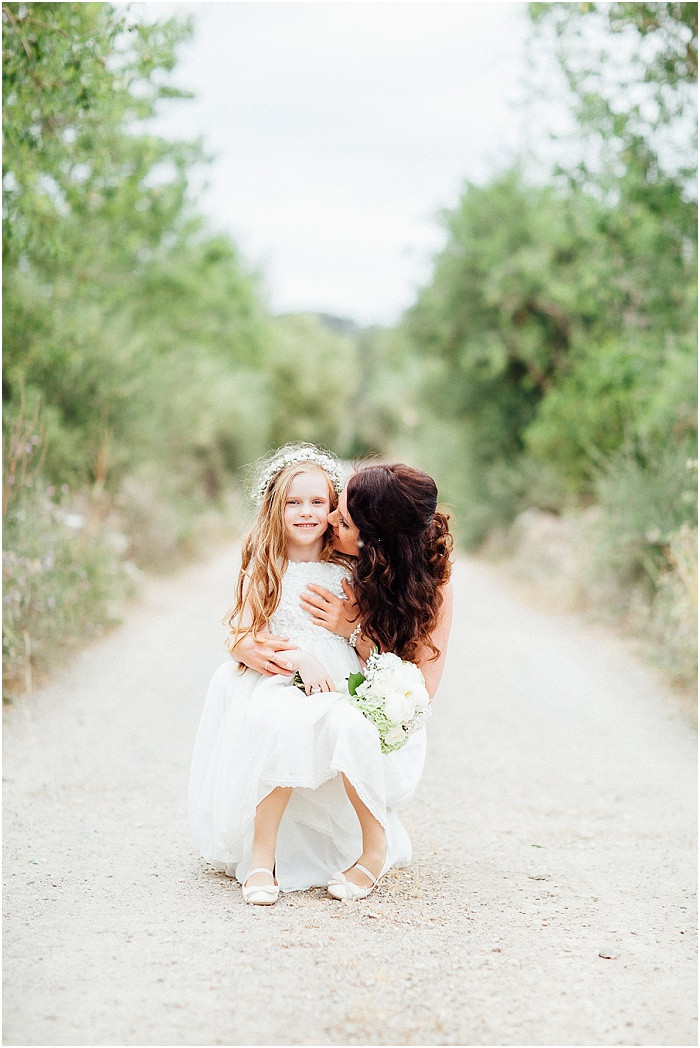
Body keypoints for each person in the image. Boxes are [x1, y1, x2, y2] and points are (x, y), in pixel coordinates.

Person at [229, 457, 454, 902]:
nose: (326, 517)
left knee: (349, 727)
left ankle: (374, 848)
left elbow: (416, 688)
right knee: (283, 720)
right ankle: (263, 857)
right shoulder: (283, 562)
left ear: (373, 542)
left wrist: (352, 629)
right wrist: (246, 646)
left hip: (372, 696)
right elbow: (245, 624)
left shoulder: (392, 577)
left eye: (339, 514)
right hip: (296, 684)